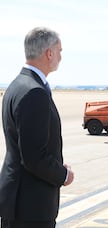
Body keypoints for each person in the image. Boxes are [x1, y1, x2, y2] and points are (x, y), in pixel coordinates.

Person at [0, 27, 74, 227]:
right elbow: (33, 157)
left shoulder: (16, 85)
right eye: (59, 51)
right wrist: (63, 175)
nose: (60, 56)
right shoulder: (34, 92)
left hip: (17, 200)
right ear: (49, 53)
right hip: (31, 206)